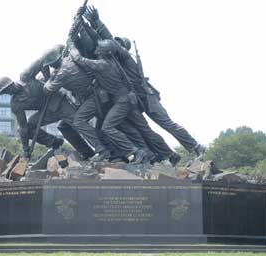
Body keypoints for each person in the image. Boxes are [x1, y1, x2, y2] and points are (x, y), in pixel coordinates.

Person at [84, 6, 206, 158]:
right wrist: (88, 25)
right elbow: (102, 42)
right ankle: (164, 155)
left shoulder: (126, 58)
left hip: (147, 97)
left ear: (122, 48)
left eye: (118, 43)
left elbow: (109, 41)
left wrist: (97, 23)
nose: (114, 44)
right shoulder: (114, 61)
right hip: (134, 99)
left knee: (166, 124)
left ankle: (196, 146)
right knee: (143, 130)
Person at [68, 38, 179, 166]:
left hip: (123, 101)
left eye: (99, 48)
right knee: (141, 130)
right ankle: (167, 154)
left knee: (108, 127)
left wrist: (71, 45)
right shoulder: (112, 61)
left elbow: (79, 60)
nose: (96, 48)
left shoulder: (102, 64)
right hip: (126, 100)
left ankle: (135, 152)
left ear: (102, 52)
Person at [0, 75, 94, 160]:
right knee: (29, 127)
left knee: (79, 124)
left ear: (11, 84)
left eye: (7, 89)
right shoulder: (16, 104)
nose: (8, 92)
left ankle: (103, 149)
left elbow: (43, 65)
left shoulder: (27, 79)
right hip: (47, 112)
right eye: (5, 92)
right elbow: (23, 127)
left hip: (60, 103)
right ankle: (55, 142)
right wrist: (26, 149)